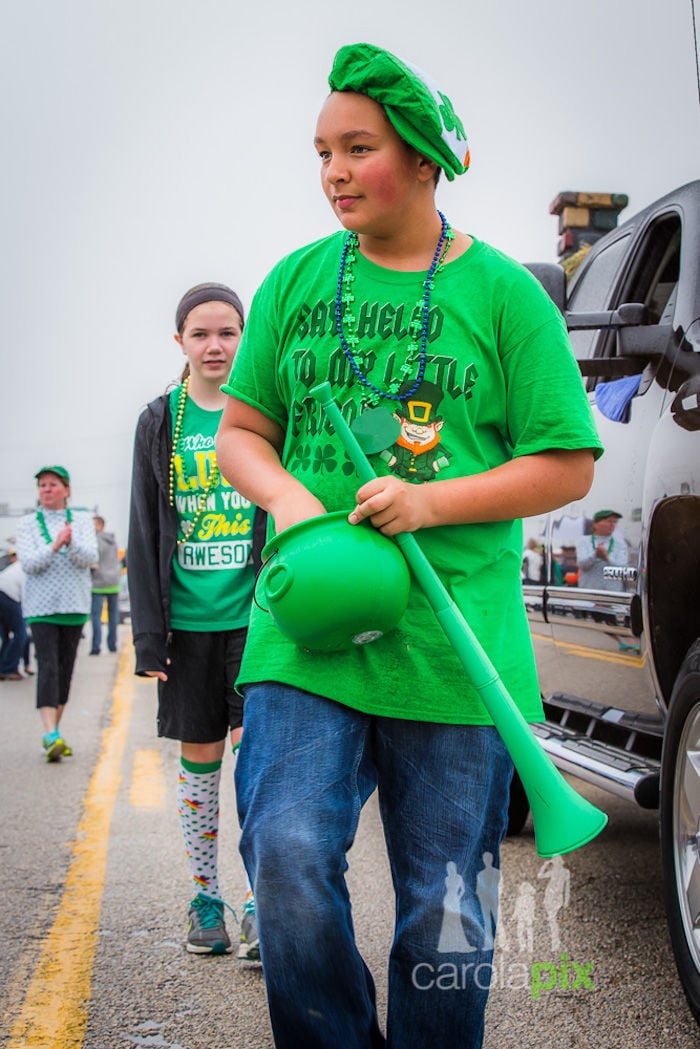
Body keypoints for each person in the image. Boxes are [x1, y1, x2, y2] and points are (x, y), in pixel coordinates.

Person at [215, 42, 603, 1049]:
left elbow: (566, 461)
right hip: (308, 632)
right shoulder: (297, 280)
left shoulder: (505, 297)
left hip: (454, 641)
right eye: (322, 152)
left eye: (358, 148)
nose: (334, 171)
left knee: (446, 909)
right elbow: (241, 433)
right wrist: (296, 505)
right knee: (286, 853)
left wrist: (432, 505)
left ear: (424, 159)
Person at [128, 282, 262, 960]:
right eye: (201, 333)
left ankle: (261, 900)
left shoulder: (263, 410)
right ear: (179, 340)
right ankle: (205, 895)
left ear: (244, 336)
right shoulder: (160, 419)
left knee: (257, 763)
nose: (215, 344)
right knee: (201, 764)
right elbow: (145, 526)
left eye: (228, 332)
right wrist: (149, 634)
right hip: (187, 627)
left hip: (256, 621)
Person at [16, 466, 98, 760]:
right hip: (42, 608)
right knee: (48, 667)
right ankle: (51, 732)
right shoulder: (27, 524)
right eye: (42, 485)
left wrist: (71, 540)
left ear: (66, 489)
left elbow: (90, 558)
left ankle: (53, 734)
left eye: (52, 484)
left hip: (74, 606)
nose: (46, 490)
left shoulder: (82, 520)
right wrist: (55, 544)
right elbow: (29, 563)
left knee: (65, 672)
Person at [89, 515, 122, 655]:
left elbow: (92, 560)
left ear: (100, 525)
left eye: (94, 525)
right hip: (114, 581)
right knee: (113, 615)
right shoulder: (113, 541)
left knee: (96, 616)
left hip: (98, 582)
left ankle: (96, 647)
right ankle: (112, 645)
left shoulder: (95, 540)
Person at [575, 509, 629, 591]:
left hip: (613, 596)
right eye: (609, 521)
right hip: (589, 595)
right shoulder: (584, 541)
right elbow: (582, 564)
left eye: (615, 522)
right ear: (595, 524)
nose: (612, 525)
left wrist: (607, 558)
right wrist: (595, 555)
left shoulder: (620, 543)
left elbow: (623, 571)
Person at [0, 549, 28, 680]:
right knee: (21, 634)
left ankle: (3, 666)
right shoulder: (29, 567)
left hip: (4, 592)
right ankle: (8, 668)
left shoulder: (19, 565)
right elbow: (26, 596)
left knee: (6, 636)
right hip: (8, 595)